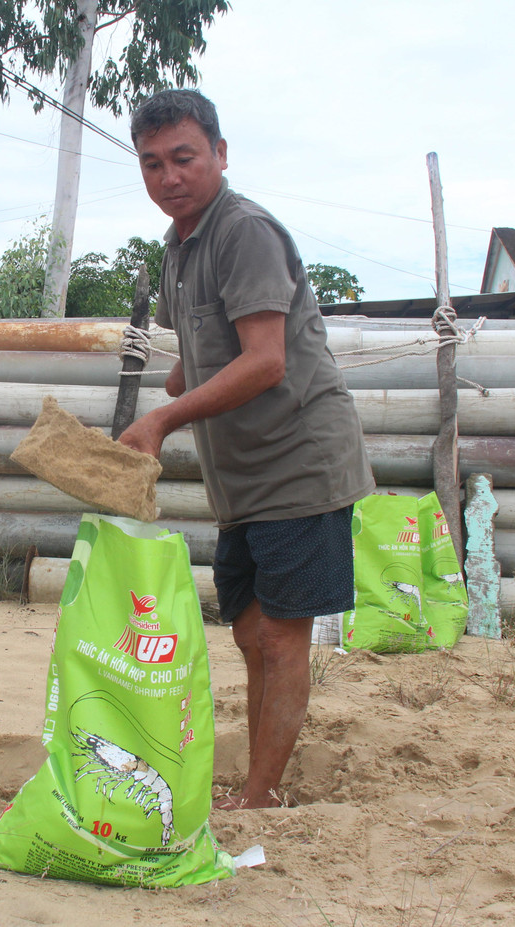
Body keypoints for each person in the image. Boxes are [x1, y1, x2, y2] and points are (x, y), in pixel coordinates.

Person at [116, 89, 375, 810]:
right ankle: (258, 775)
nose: (169, 176)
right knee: (251, 629)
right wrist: (156, 399)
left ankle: (260, 792)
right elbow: (199, 350)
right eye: (152, 164)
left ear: (220, 155)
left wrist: (163, 421)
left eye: (184, 158)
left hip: (298, 462)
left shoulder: (245, 231)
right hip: (241, 480)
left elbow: (265, 360)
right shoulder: (177, 249)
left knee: (283, 638)